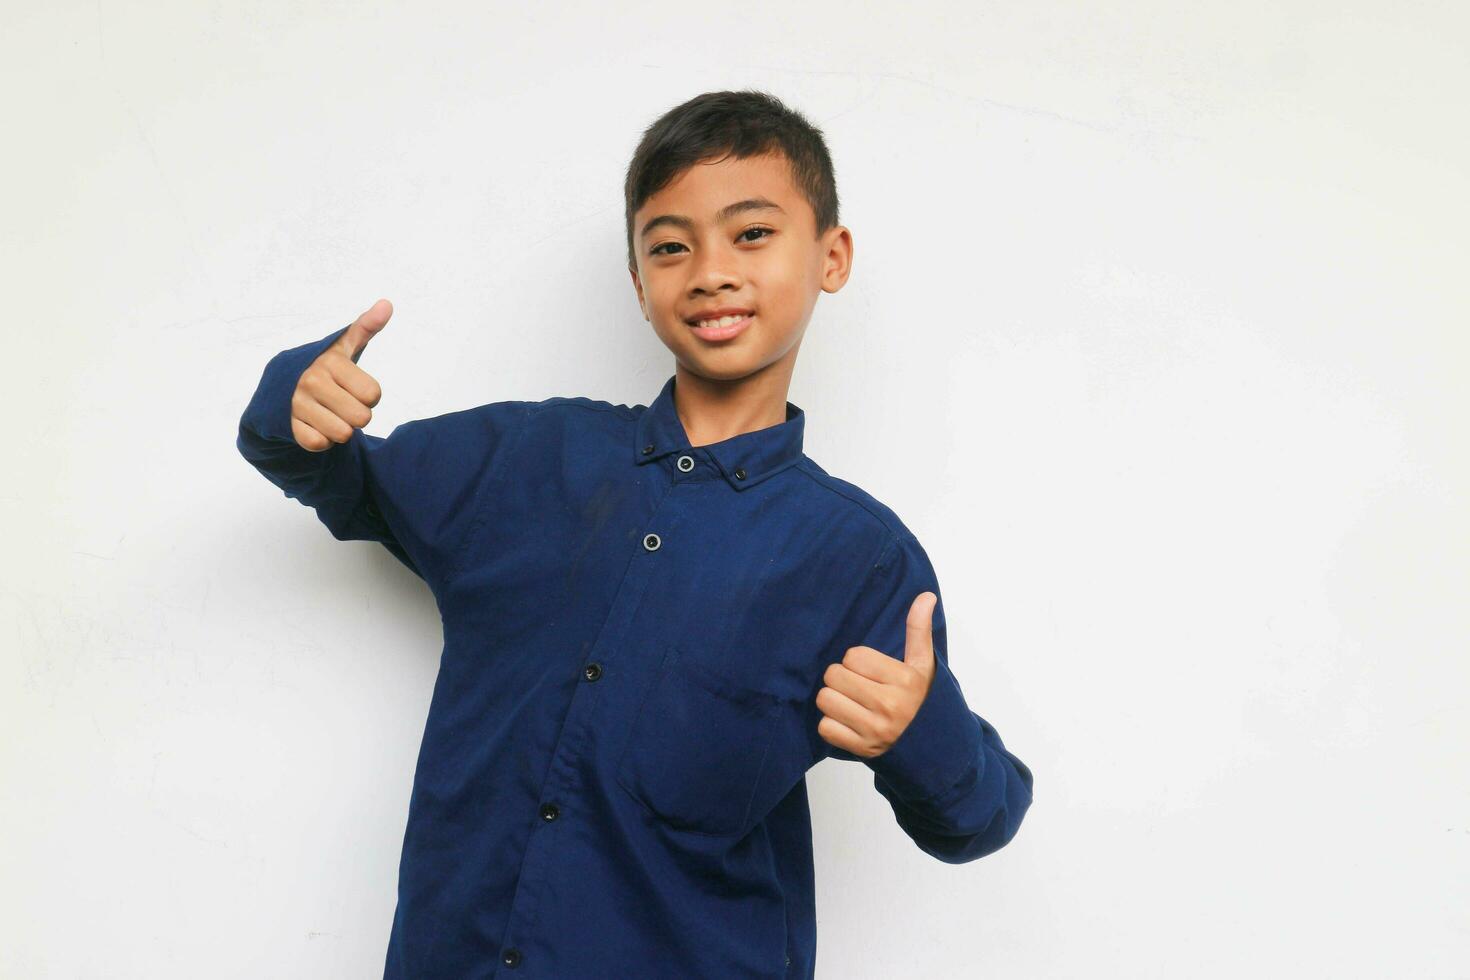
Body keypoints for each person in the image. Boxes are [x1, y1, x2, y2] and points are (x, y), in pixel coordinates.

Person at [237, 88, 1033, 979]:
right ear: (638, 280)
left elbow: (980, 819)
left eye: (753, 234)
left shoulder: (854, 557)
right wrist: (294, 401)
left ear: (831, 256)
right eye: (669, 246)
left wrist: (916, 732)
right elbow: (334, 473)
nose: (710, 271)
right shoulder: (525, 459)